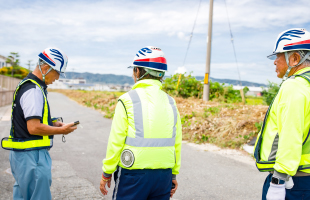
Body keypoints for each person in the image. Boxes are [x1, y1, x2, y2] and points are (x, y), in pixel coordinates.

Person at [99, 46, 182, 200]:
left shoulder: (127, 100)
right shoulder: (171, 102)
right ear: (161, 74)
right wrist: (174, 174)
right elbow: (176, 141)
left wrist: (107, 172)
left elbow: (116, 141)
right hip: (164, 175)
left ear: (137, 71)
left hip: (133, 175)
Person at [1, 47, 77, 200]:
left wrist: (52, 123)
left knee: (23, 196)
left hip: (23, 157)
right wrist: (62, 131)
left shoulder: (28, 85)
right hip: (32, 157)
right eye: (57, 73)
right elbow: (33, 127)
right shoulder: (34, 90)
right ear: (46, 67)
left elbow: (27, 120)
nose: (57, 78)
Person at [254, 28, 310, 200]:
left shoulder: (294, 86)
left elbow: (290, 135)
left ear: (294, 58)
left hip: (292, 182)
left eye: (278, 56)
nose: (275, 62)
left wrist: (278, 181)